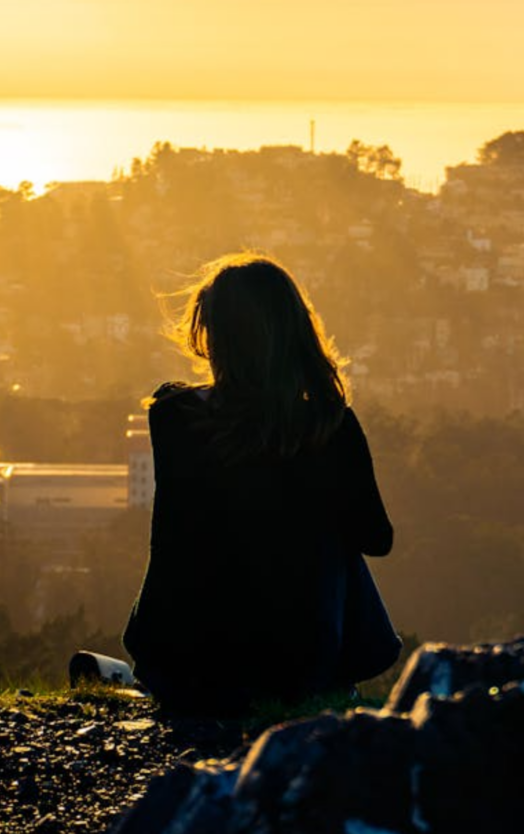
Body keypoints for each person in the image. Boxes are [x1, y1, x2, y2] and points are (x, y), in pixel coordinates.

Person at [122, 252, 400, 714]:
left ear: (212, 336)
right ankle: (333, 678)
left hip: (183, 662)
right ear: (293, 333)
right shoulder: (328, 425)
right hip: (298, 667)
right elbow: (377, 538)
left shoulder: (173, 418)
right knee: (332, 536)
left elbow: (170, 539)